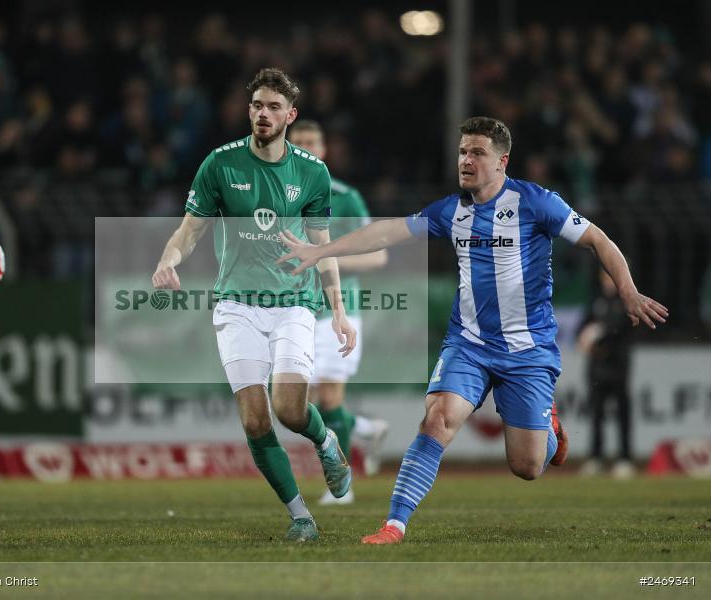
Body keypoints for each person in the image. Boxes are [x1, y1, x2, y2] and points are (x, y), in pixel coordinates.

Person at [278, 116, 668, 544]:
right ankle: (394, 524)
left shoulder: (536, 202)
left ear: (502, 161)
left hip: (527, 350)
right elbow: (387, 232)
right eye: (463, 151)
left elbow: (598, 240)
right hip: (469, 344)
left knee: (527, 466)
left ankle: (549, 429)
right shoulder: (451, 211)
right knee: (436, 419)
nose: (466, 160)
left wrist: (628, 292)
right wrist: (322, 251)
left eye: (477, 152)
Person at [152, 68, 356, 542]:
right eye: (257, 105)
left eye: (273, 107)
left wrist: (339, 311)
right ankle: (301, 516)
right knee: (254, 418)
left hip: (293, 304)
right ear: (250, 110)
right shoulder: (220, 164)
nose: (263, 114)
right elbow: (189, 231)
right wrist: (168, 259)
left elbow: (322, 247)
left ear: (290, 115)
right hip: (236, 305)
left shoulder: (312, 172)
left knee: (289, 410)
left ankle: (325, 440)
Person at [287, 120, 390, 505]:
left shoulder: (345, 198)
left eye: (311, 142)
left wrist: (325, 258)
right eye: (298, 143)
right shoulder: (278, 195)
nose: (305, 149)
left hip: (336, 309)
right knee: (296, 402)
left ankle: (342, 487)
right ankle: (364, 428)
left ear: (323, 150)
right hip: (291, 308)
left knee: (329, 398)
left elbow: (378, 255)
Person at [577, 267, 635, 478]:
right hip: (596, 369)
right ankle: (596, 457)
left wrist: (599, 337)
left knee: (622, 414)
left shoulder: (627, 300)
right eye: (606, 277)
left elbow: (622, 329)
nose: (608, 281)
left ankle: (625, 458)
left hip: (618, 367)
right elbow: (582, 328)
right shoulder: (596, 300)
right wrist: (585, 338)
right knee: (596, 414)